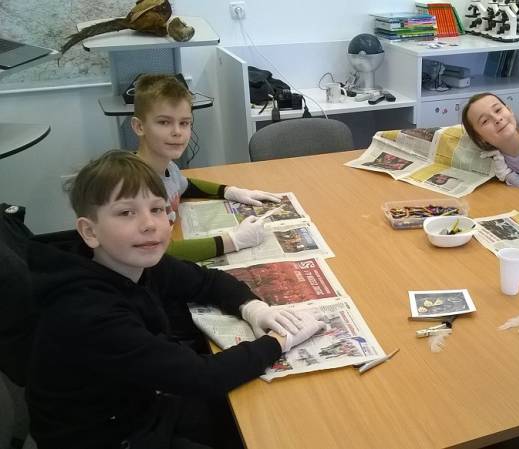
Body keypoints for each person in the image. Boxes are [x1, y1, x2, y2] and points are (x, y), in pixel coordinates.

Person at [25, 151, 325, 449]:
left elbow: (206, 280)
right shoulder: (88, 312)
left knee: (270, 421)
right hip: (106, 436)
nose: (149, 224)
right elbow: (202, 377)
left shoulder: (131, 259)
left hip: (139, 403)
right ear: (90, 232)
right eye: (126, 213)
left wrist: (254, 308)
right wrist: (280, 341)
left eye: (157, 209)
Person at [133, 74, 281, 262]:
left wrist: (229, 191)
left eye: (184, 123)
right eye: (164, 122)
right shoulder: (135, 187)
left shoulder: (167, 166)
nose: (177, 132)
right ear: (139, 126)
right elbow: (160, 252)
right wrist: (233, 241)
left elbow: (186, 185)